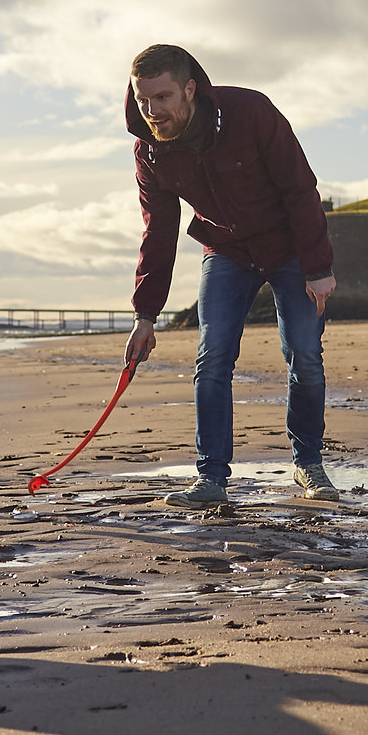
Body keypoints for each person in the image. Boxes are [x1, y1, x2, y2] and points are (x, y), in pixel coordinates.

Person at [121, 45, 340, 508]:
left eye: (162, 97)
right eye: (143, 100)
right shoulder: (150, 151)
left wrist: (318, 268)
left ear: (190, 89)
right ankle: (211, 478)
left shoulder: (250, 112)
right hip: (226, 250)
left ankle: (309, 464)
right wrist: (145, 314)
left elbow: (301, 188)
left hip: (288, 249)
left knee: (303, 352)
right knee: (213, 355)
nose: (152, 111)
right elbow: (158, 231)